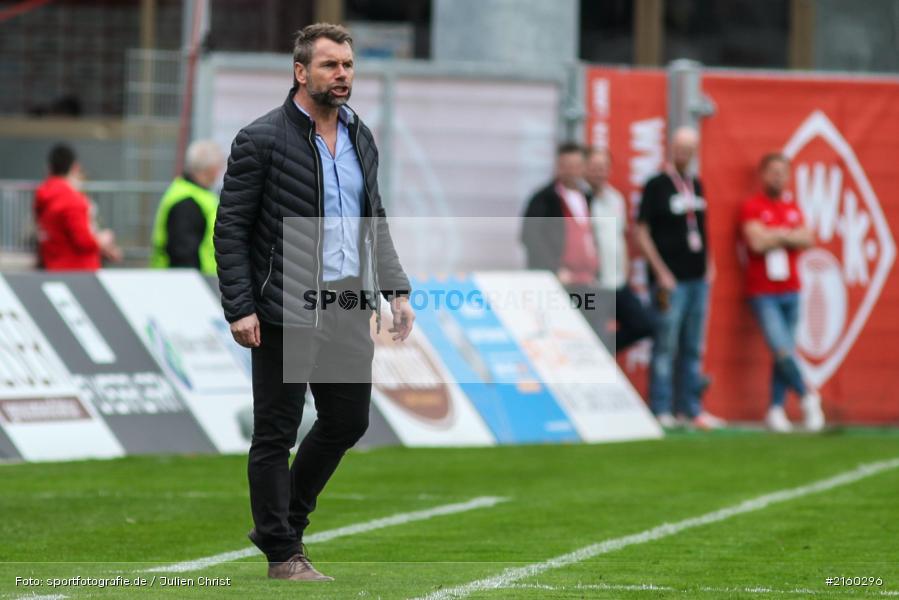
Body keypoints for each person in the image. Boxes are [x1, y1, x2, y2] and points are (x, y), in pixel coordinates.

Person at [214, 23, 414, 582]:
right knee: (276, 432)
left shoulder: (361, 136)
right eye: (330, 65)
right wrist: (239, 305)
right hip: (284, 304)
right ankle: (283, 553)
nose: (342, 75)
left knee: (348, 420)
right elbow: (230, 228)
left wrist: (395, 288)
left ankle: (284, 523)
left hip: (349, 301)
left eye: (348, 65)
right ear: (301, 72)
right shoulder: (261, 138)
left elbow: (374, 218)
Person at [635, 127, 722, 430]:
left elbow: (700, 228)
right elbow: (642, 231)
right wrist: (660, 272)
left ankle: (691, 407)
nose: (684, 153)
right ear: (671, 148)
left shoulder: (695, 184)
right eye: (680, 147)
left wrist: (709, 264)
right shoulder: (656, 185)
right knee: (665, 344)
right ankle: (660, 407)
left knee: (693, 345)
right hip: (669, 281)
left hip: (697, 278)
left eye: (690, 148)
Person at [740, 153, 823, 432]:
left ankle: (775, 408)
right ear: (763, 175)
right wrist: (787, 235)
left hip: (791, 288)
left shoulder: (792, 207)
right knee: (782, 347)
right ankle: (807, 395)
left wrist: (774, 234)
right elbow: (756, 242)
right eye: (772, 172)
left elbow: (808, 238)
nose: (777, 177)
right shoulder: (752, 206)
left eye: (782, 172)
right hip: (763, 290)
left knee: (782, 351)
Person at [521, 143, 614, 348]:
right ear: (558, 166)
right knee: (560, 337)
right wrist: (554, 269)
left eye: (576, 165)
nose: (572, 170)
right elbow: (530, 237)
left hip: (586, 282)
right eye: (567, 165)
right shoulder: (544, 199)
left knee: (593, 339)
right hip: (559, 282)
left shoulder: (586, 198)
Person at [585, 147, 656, 351]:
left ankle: (603, 349)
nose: (599, 172)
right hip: (593, 285)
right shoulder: (580, 200)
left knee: (643, 324)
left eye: (603, 167)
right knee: (592, 331)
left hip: (617, 281)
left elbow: (619, 237)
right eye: (594, 167)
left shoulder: (615, 198)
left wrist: (625, 272)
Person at [34, 144, 122, 271]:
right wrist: (102, 239)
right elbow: (84, 241)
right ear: (74, 167)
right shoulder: (73, 201)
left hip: (52, 266)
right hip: (78, 272)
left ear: (49, 167)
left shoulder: (43, 194)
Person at [150, 140, 224, 274]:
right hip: (189, 284)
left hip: (198, 281)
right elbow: (183, 253)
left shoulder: (194, 194)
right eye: (218, 167)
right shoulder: (187, 202)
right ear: (210, 169)